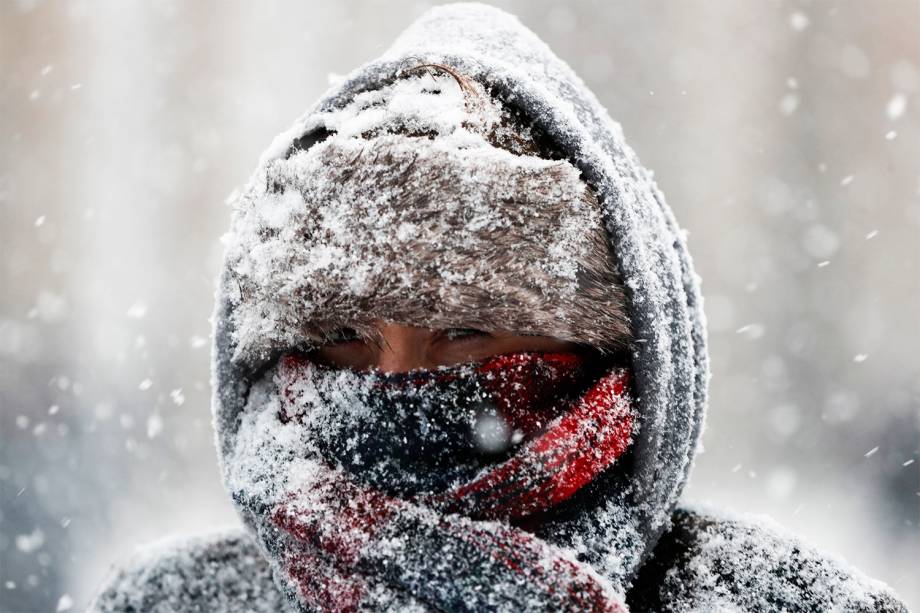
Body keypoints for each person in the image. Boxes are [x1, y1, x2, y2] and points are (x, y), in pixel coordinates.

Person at [89, 4, 907, 612]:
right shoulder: (171, 602)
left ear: (591, 349)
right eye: (344, 336)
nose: (399, 378)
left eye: (464, 333)